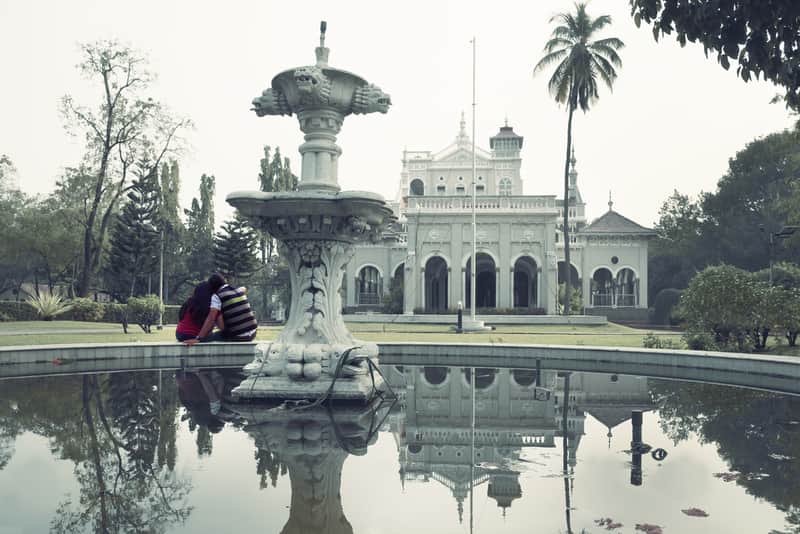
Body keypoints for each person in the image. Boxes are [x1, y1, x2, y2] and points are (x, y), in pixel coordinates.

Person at [209, 272, 258, 341]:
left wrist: (200, 336)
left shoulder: (217, 296)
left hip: (238, 336)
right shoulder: (238, 290)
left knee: (211, 337)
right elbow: (244, 288)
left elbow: (212, 319)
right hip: (253, 332)